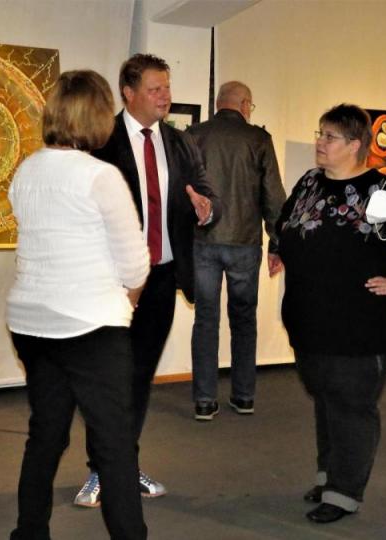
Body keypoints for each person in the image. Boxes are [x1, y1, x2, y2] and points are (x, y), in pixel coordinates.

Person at [6, 70, 149, 540]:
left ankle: (29, 533)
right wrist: (126, 303)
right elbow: (135, 264)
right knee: (114, 444)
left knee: (46, 435)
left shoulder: (26, 170)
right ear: (98, 116)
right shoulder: (100, 176)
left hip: (31, 322)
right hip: (91, 328)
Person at [73, 53, 220, 508]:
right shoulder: (102, 140)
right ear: (129, 93)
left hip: (162, 279)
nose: (165, 96)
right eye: (155, 89)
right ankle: (100, 469)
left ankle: (123, 464)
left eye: (167, 88)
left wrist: (206, 208)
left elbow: (204, 191)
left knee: (138, 378)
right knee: (108, 379)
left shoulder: (180, 141)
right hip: (114, 280)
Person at [276, 104, 386, 524]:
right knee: (326, 401)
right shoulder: (310, 182)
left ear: (355, 144)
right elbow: (285, 221)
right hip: (309, 320)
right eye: (320, 133)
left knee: (351, 405)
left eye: (329, 136)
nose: (320, 142)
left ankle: (345, 493)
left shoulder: (381, 189)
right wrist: (279, 248)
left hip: (360, 324)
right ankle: (329, 477)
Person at [185, 81, 286, 421]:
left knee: (205, 320)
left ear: (218, 104)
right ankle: (243, 396)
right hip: (244, 243)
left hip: (203, 241)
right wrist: (277, 242)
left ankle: (204, 400)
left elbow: (182, 191)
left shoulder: (195, 135)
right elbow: (274, 195)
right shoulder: (258, 139)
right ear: (244, 105)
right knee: (243, 320)